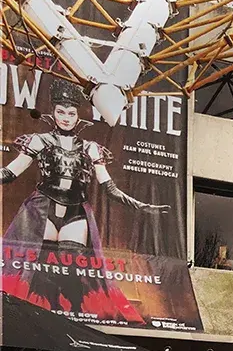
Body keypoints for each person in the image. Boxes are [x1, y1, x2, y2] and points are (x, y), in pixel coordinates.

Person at [0, 79, 166, 320]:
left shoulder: (91, 148)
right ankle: (33, 318)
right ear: (53, 112)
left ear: (78, 115)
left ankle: (64, 320)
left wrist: (142, 206)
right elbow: (10, 172)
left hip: (75, 213)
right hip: (42, 209)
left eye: (71, 113)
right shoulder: (39, 141)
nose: (65, 118)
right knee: (35, 272)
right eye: (60, 112)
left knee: (72, 273)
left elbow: (109, 188)